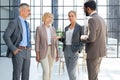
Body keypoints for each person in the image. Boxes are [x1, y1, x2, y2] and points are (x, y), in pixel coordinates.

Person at [3, 3, 31, 80]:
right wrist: (14, 49)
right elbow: (6, 36)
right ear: (22, 11)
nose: (30, 12)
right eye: (28, 10)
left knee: (26, 74)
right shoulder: (14, 22)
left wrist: (29, 47)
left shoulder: (27, 24)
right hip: (19, 51)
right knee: (17, 74)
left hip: (27, 51)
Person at [81, 0, 107, 80]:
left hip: (93, 53)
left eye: (84, 9)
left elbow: (91, 38)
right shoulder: (102, 19)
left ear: (88, 9)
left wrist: (82, 37)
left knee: (92, 77)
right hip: (101, 52)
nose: (84, 11)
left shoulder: (91, 19)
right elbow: (106, 34)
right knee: (95, 76)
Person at [58, 10, 83, 80]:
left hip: (74, 50)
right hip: (66, 50)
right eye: (69, 16)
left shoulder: (80, 28)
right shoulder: (66, 28)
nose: (70, 17)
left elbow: (83, 41)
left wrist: (79, 50)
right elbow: (65, 39)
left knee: (71, 70)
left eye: (72, 16)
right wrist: (59, 38)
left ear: (76, 17)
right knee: (69, 70)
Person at [35, 12, 59, 80]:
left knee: (50, 70)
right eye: (49, 17)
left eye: (52, 18)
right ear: (44, 18)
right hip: (43, 51)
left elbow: (55, 41)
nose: (50, 19)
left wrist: (57, 52)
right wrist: (37, 54)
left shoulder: (53, 29)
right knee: (46, 70)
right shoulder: (39, 28)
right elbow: (37, 42)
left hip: (52, 50)